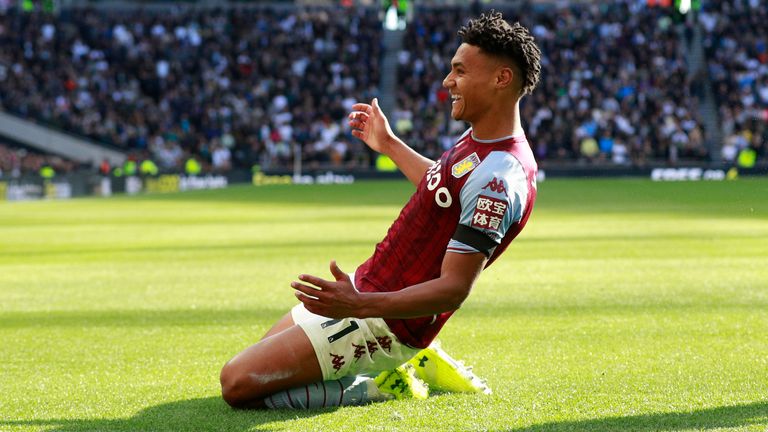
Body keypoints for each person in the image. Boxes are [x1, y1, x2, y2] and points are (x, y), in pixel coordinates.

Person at [220, 10, 541, 409]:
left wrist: (358, 306)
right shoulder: (479, 140)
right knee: (263, 356)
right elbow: (442, 188)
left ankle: (377, 385)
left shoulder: (500, 177)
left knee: (237, 384)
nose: (447, 81)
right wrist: (388, 143)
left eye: (459, 70)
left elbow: (453, 289)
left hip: (385, 323)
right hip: (369, 286)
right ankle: (408, 361)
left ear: (500, 79)